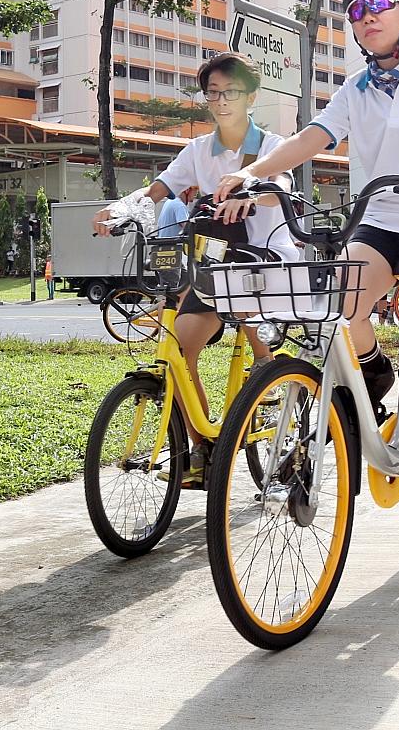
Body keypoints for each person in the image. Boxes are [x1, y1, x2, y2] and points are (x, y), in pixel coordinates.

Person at [214, 0, 399, 530]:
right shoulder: (355, 88)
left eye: (379, 6)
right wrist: (253, 173)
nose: (366, 19)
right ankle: (372, 370)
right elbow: (313, 137)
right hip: (384, 209)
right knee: (342, 307)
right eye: (357, 11)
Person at [93, 53, 296, 488]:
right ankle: (202, 448)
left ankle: (270, 374)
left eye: (232, 92)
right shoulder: (198, 151)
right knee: (179, 350)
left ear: (251, 96)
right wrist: (120, 209)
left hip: (264, 260)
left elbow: (280, 189)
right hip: (216, 262)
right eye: (214, 93)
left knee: (250, 321)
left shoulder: (272, 147)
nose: (222, 101)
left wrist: (251, 195)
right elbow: (159, 189)